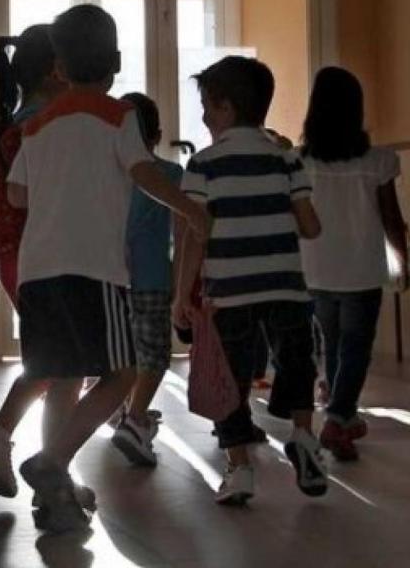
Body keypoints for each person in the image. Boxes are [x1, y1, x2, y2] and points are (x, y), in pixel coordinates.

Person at [9, 5, 209, 533]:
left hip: (37, 270)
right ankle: (52, 461)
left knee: (64, 376)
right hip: (93, 269)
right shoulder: (117, 113)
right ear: (116, 61)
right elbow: (142, 171)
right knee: (123, 370)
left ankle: (57, 496)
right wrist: (188, 208)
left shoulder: (36, 122)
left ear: (57, 66)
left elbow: (16, 192)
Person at [175, 55, 327, 505]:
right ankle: (303, 438)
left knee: (230, 382)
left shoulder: (204, 165)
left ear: (224, 107)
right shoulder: (285, 158)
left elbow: (193, 237)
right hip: (285, 286)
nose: (202, 115)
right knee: (298, 363)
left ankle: (239, 468)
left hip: (229, 292)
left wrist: (181, 296)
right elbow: (311, 226)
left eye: (205, 104)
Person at [0, 24, 70, 500]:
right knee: (63, 361)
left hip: (16, 255)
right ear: (58, 68)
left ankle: (49, 466)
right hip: (45, 254)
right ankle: (12, 443)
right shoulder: (48, 124)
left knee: (57, 359)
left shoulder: (13, 121)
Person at [300, 66, 408, 461]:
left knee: (333, 342)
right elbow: (392, 218)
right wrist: (403, 258)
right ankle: (338, 417)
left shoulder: (301, 162)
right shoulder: (379, 160)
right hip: (361, 269)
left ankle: (342, 416)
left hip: (315, 267)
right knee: (357, 347)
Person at [109, 92, 184, 467]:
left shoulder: (106, 177)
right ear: (156, 135)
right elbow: (181, 233)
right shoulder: (170, 175)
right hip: (153, 276)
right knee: (153, 354)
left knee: (121, 352)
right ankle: (135, 419)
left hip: (111, 278)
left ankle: (122, 410)